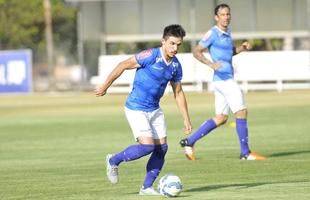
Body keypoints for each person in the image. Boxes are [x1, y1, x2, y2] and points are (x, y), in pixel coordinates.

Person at [95, 24, 192, 195]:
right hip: (136, 108)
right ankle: (113, 160)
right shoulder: (150, 56)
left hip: (155, 109)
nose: (175, 48)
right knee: (147, 147)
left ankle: (146, 187)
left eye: (178, 44)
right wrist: (105, 86)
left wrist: (186, 118)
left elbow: (178, 92)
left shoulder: (176, 65)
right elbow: (122, 65)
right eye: (172, 43)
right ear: (163, 41)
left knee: (162, 148)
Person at [179, 4, 265, 161]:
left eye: (228, 14)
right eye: (223, 15)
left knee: (221, 117)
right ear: (216, 17)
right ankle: (245, 153)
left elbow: (229, 52)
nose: (226, 17)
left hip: (221, 81)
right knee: (241, 111)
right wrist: (210, 64)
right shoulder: (213, 33)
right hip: (224, 80)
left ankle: (189, 142)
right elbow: (196, 51)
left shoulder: (227, 32)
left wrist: (242, 48)